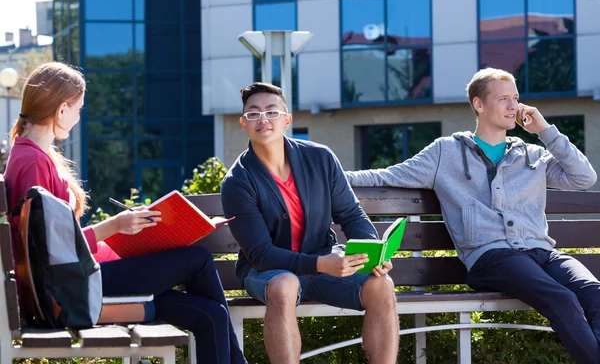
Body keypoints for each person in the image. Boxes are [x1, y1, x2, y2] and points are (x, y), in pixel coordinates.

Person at [346, 67, 600, 364]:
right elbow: (386, 176)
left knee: (594, 292)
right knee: (562, 299)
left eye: (515, 98)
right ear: (479, 104)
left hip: (542, 253)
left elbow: (584, 178)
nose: (513, 106)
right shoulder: (445, 152)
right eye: (503, 98)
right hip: (491, 257)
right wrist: (326, 175)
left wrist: (545, 131)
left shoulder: (531, 155)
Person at [3, 62, 246, 364]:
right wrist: (116, 225)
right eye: (78, 109)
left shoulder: (32, 154)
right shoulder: (33, 162)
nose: (79, 117)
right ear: (61, 109)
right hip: (71, 289)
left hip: (78, 278)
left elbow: (59, 240)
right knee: (196, 259)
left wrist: (131, 234)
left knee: (210, 315)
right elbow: (53, 250)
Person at [220, 82, 399, 364]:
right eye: (253, 114)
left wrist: (373, 253)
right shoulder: (238, 182)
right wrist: (320, 264)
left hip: (323, 262)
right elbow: (261, 255)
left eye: (271, 112)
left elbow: (351, 215)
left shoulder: (320, 158)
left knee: (381, 284)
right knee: (284, 285)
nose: (263, 119)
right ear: (244, 124)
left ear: (287, 119)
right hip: (267, 272)